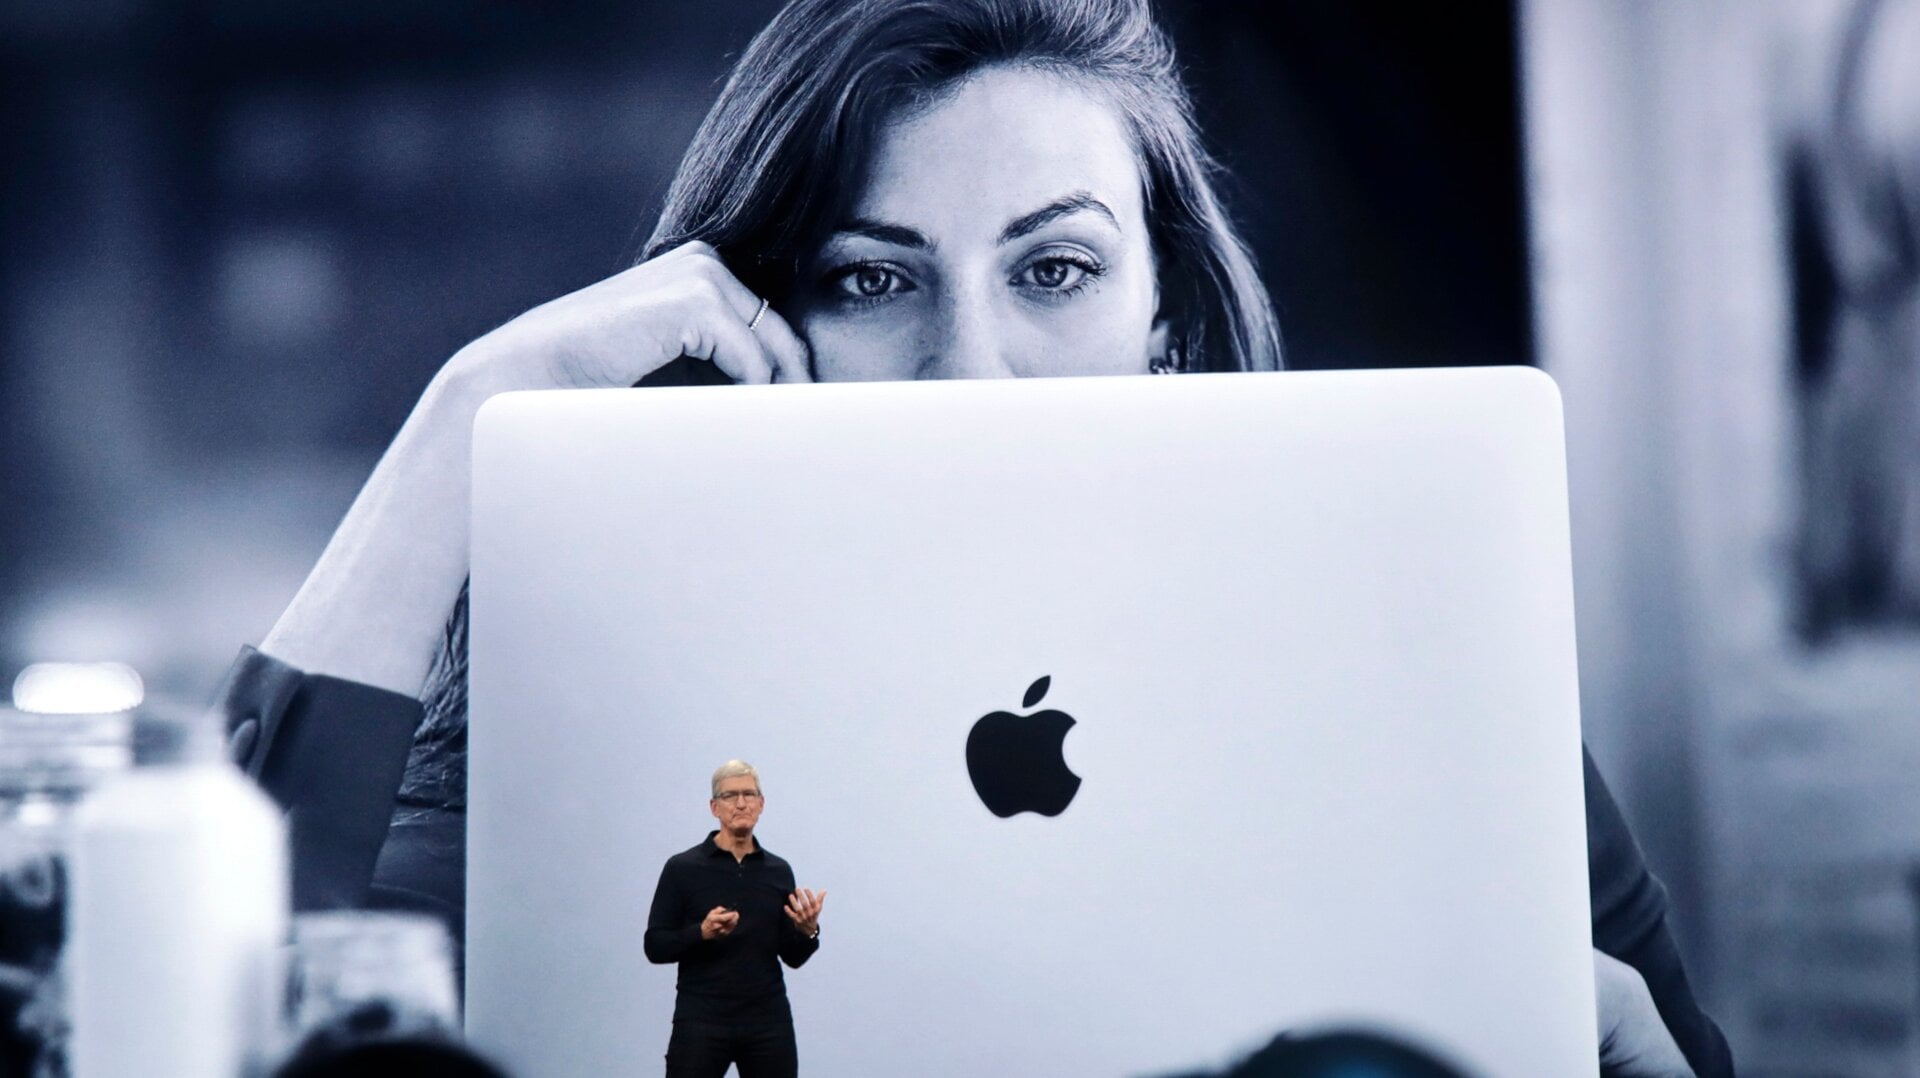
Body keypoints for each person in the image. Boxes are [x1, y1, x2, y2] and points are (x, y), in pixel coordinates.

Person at [212, 1, 1732, 1074]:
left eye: (1055, 268)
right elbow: (220, 1017)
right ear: (751, 328)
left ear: (1163, 327)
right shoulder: (591, 749)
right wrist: (467, 413)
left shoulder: (1428, 707)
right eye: (872, 280)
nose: (972, 369)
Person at [642, 761, 823, 1078]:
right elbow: (655, 945)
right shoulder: (682, 868)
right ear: (714, 807)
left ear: (761, 804)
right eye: (730, 796)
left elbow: (792, 956)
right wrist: (701, 932)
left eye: (749, 794)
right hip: (702, 1018)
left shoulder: (778, 871)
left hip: (767, 1020)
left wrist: (808, 932)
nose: (741, 803)